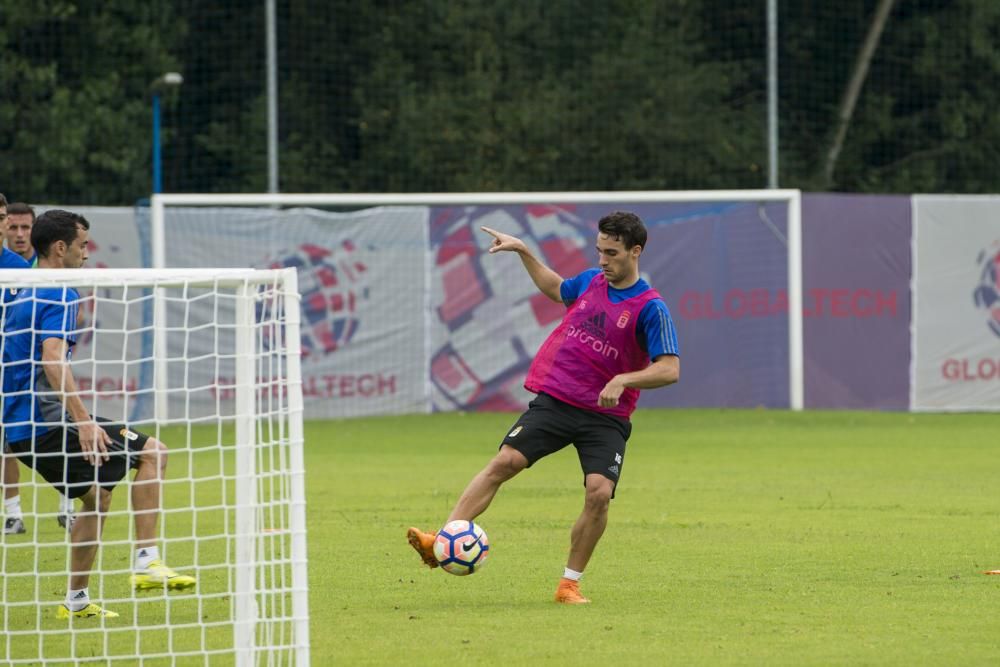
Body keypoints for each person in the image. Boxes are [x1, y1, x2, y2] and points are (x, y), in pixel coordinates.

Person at [407, 211, 680, 604]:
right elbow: (557, 289)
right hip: (558, 399)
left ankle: (569, 584)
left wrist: (623, 379)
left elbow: (669, 369)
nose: (603, 260)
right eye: (600, 251)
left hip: (605, 416)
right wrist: (523, 251)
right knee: (504, 462)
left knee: (599, 493)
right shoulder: (590, 281)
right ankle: (443, 539)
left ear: (636, 251)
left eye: (612, 253)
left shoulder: (651, 308)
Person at [1, 209, 196, 619]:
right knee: (153, 454)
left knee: (99, 496)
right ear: (60, 248)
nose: (86, 255)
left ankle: (76, 601)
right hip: (47, 423)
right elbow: (53, 359)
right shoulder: (59, 293)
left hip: (21, 429)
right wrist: (84, 420)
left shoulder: (20, 286)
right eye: (82, 245)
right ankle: (146, 561)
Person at [0, 199, 77, 534]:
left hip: (16, 372)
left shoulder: (18, 270)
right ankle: (14, 513)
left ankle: (68, 502)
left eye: (15, 223)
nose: (15, 231)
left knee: (54, 429)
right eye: (9, 223)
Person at [0, 194, 33, 535]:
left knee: (11, 439)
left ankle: (13, 512)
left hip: (11, 368)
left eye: (2, 217)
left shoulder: (20, 270)